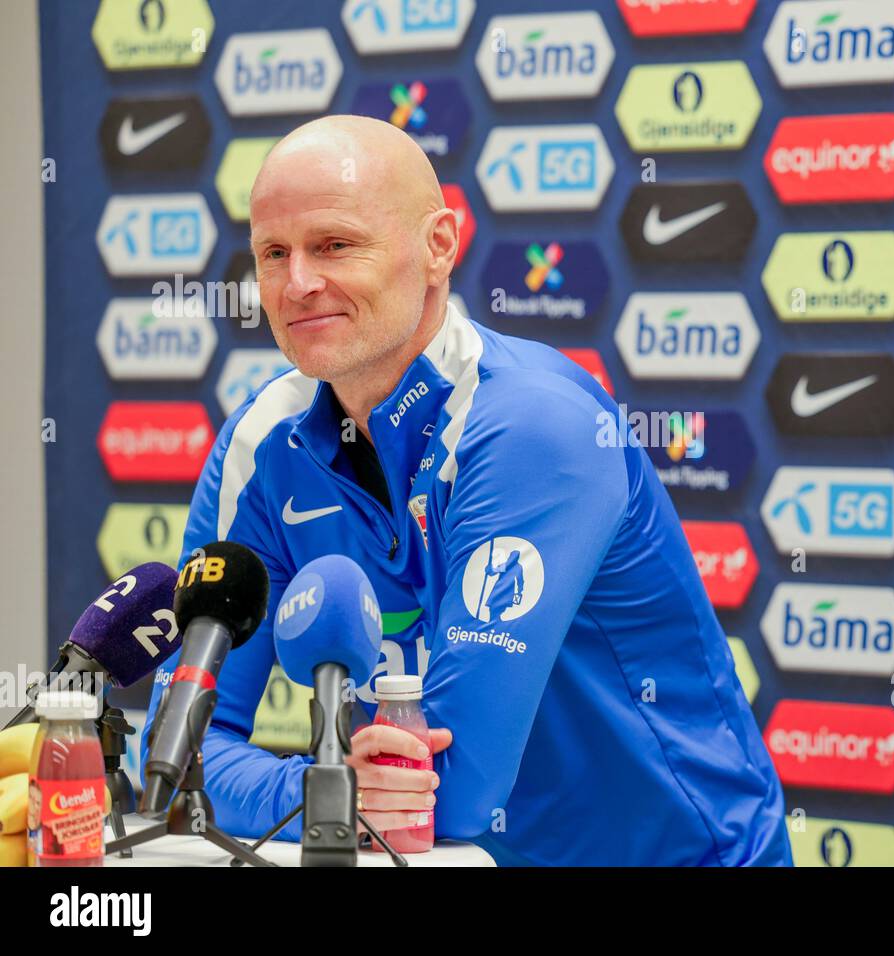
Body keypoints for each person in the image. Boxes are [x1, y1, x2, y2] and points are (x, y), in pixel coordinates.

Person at [140, 115, 790, 866]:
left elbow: (454, 791)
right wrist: (329, 794)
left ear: (439, 246)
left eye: (335, 245)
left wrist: (327, 798)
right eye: (273, 253)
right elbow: (174, 756)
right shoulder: (259, 444)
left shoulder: (533, 427)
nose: (299, 283)